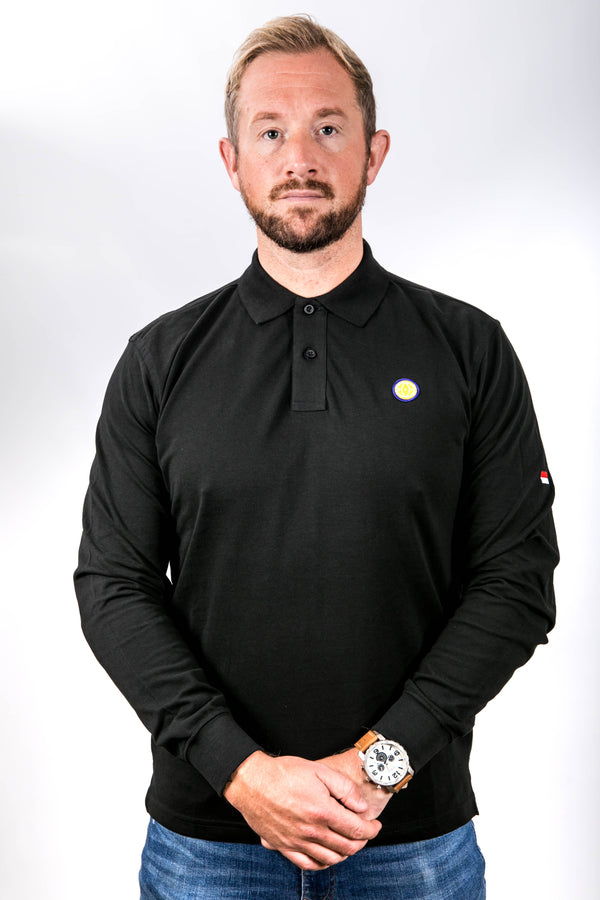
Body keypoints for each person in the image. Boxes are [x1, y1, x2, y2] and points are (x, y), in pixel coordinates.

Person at [74, 14, 558, 900]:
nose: (299, 156)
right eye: (271, 131)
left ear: (373, 153)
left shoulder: (469, 348)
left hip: (412, 842)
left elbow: (515, 582)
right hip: (207, 845)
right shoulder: (159, 359)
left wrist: (378, 767)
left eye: (328, 128)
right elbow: (114, 586)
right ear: (233, 161)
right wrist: (243, 773)